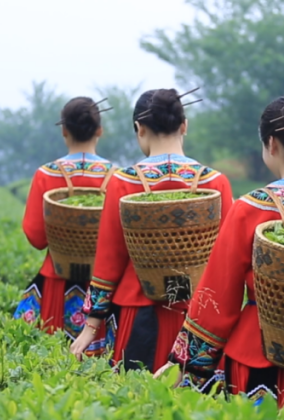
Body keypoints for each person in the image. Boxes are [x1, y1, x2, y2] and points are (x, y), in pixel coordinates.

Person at [157, 95, 284, 406]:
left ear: (271, 144)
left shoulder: (251, 208)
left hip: (256, 353)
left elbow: (219, 294)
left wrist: (183, 363)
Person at [69, 88, 233, 372]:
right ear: (184, 125)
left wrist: (92, 325)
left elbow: (110, 258)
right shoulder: (215, 183)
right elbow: (226, 260)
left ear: (139, 128)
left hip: (138, 308)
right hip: (195, 314)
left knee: (135, 401)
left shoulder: (123, 183)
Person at [15, 96, 118, 356]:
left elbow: (36, 237)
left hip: (57, 284)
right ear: (99, 131)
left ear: (64, 130)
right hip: (102, 288)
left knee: (50, 364)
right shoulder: (117, 177)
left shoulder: (46, 175)